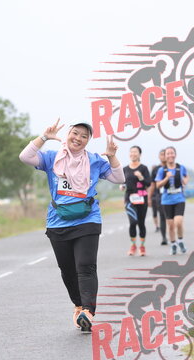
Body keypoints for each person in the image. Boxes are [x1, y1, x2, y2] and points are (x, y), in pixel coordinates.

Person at [19, 119, 125, 332]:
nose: (78, 138)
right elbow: (25, 157)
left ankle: (88, 311)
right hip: (58, 221)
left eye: (84, 136)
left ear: (88, 141)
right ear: (68, 135)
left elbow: (119, 177)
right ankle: (78, 305)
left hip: (88, 219)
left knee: (86, 266)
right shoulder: (52, 157)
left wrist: (112, 156)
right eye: (75, 133)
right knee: (67, 270)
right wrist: (44, 137)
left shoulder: (94, 160)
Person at [154, 146, 189, 255]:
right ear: (165, 156)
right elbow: (158, 185)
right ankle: (173, 244)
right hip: (167, 200)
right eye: (168, 153)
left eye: (172, 153)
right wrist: (166, 178)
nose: (170, 155)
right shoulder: (162, 170)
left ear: (175, 154)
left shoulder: (181, 167)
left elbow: (186, 177)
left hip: (179, 198)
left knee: (178, 221)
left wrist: (184, 180)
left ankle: (180, 240)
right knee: (171, 225)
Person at [121, 146, 152, 256]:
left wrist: (141, 177)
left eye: (135, 152)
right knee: (133, 222)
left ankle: (142, 246)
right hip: (129, 199)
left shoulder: (143, 168)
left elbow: (148, 183)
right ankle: (133, 245)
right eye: (131, 152)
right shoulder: (125, 169)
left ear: (139, 154)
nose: (133, 154)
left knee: (141, 223)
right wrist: (122, 186)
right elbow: (123, 182)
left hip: (142, 199)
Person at [149, 149, 167, 245]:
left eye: (165, 154)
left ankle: (173, 236)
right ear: (159, 157)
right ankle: (164, 238)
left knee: (171, 218)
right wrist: (149, 198)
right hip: (159, 195)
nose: (163, 156)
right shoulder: (155, 169)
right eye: (161, 154)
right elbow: (152, 184)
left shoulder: (172, 167)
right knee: (162, 216)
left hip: (171, 195)